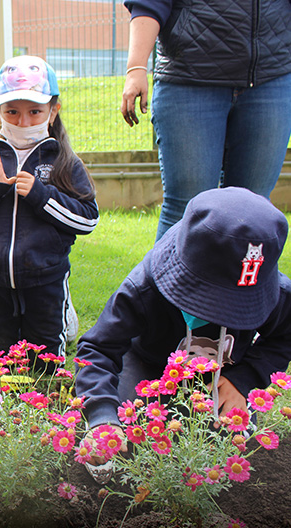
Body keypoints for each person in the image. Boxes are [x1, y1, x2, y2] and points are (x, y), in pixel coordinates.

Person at [75, 187, 291, 481]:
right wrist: (101, 416)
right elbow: (97, 349)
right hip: (150, 364)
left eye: (238, 306)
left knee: (233, 447)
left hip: (223, 375)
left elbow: (284, 337)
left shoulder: (279, 295)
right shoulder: (144, 288)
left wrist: (245, 379)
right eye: (214, 300)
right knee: (130, 430)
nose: (223, 312)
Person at [0, 55, 99, 370]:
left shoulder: (64, 162)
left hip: (45, 280)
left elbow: (88, 218)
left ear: (53, 111)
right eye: (12, 112)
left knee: (45, 362)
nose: (24, 121)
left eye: (35, 112)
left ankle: (62, 325)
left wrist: (41, 196)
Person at [120, 0, 291, 241]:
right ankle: (170, 279)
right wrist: (136, 67)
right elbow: (149, 3)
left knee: (254, 209)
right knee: (187, 209)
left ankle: (244, 281)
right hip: (189, 78)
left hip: (271, 77)